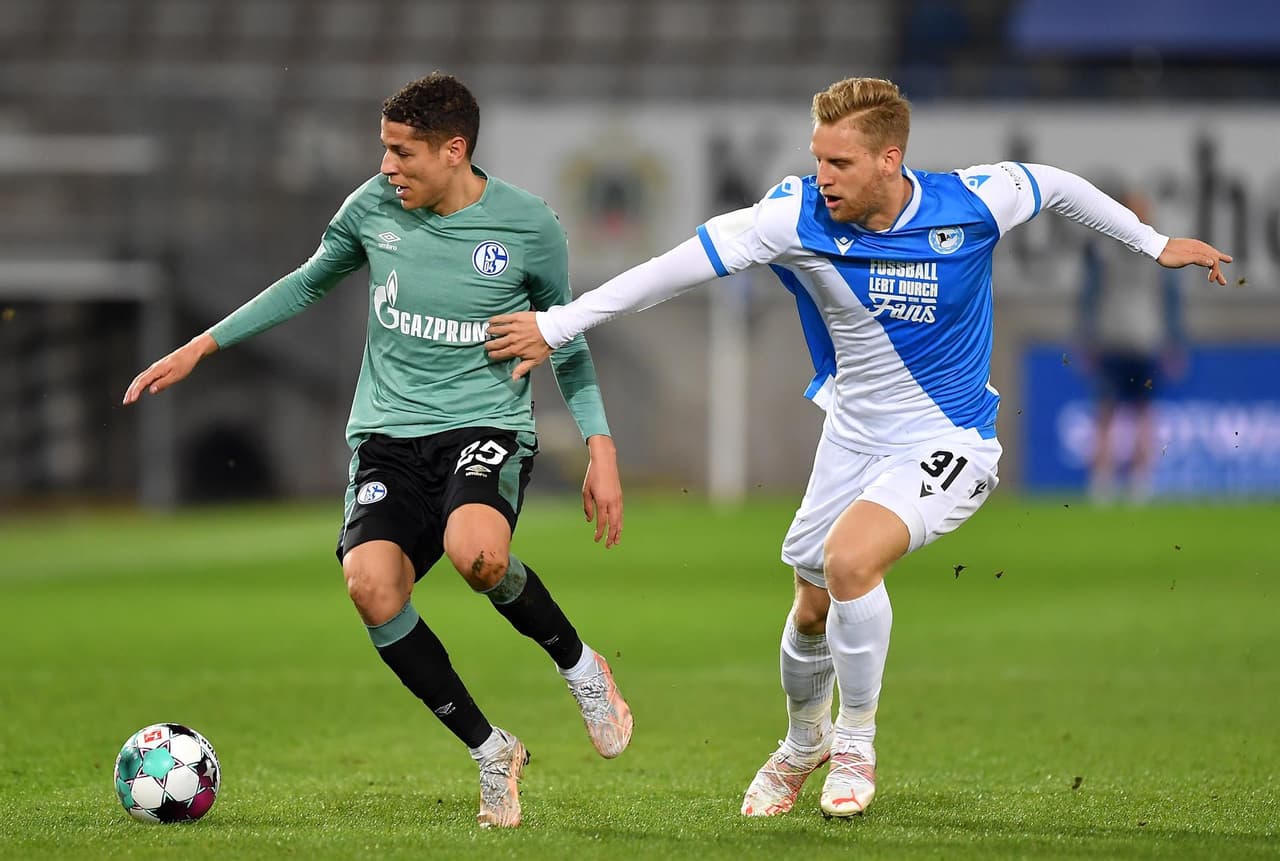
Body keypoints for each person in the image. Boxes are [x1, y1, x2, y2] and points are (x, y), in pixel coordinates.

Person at [483, 77, 1230, 819]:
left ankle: (855, 744)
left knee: (850, 563)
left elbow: (1056, 185)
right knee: (811, 607)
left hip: (951, 440)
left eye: (839, 162)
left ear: (888, 160)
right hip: (851, 440)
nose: (823, 176)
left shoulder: (972, 203)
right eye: (818, 159)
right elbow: (672, 268)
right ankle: (802, 741)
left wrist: (1154, 243)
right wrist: (558, 324)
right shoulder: (793, 216)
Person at [122, 72, 633, 829]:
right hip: (388, 436)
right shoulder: (372, 208)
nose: (387, 166)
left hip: (485, 425)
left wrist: (601, 447)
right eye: (384, 150)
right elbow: (305, 284)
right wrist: (203, 344)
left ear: (454, 150)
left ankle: (581, 666)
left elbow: (567, 339)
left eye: (403, 152)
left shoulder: (528, 226)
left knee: (478, 555)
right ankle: (492, 750)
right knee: (371, 588)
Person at [1075, 189, 1186, 503]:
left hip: (1143, 341)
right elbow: (1089, 299)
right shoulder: (1107, 251)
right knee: (1109, 413)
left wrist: (1174, 342)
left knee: (1141, 413)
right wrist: (1086, 338)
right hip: (1114, 340)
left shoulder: (1111, 250)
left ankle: (1139, 481)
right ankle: (1103, 480)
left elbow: (1171, 301)